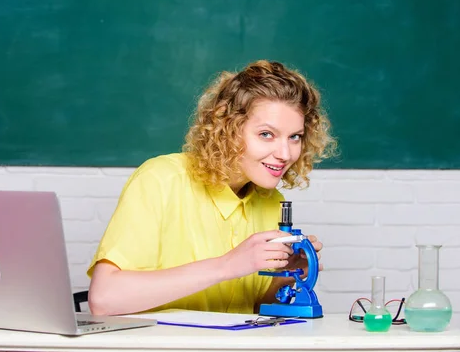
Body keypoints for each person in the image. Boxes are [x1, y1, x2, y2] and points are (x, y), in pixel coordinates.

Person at [87, 60, 337, 316]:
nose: (285, 154)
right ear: (227, 129)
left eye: (295, 137)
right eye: (266, 134)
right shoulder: (161, 180)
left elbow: (253, 312)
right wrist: (227, 265)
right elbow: (104, 299)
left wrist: (288, 274)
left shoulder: (272, 201)